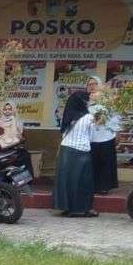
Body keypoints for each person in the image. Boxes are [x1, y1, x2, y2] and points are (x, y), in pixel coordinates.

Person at [53, 90, 97, 218]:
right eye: (87, 100)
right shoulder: (89, 117)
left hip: (66, 150)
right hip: (82, 151)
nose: (89, 102)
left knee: (67, 181)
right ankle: (81, 209)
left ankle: (66, 208)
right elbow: (92, 137)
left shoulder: (68, 115)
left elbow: (63, 132)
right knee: (84, 181)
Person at [86, 78, 120, 194]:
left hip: (107, 136)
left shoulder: (107, 101)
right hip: (90, 138)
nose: (92, 86)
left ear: (100, 86)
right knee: (92, 163)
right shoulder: (85, 102)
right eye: (89, 84)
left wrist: (117, 133)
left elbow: (116, 117)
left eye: (95, 84)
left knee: (106, 162)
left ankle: (105, 186)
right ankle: (93, 186)